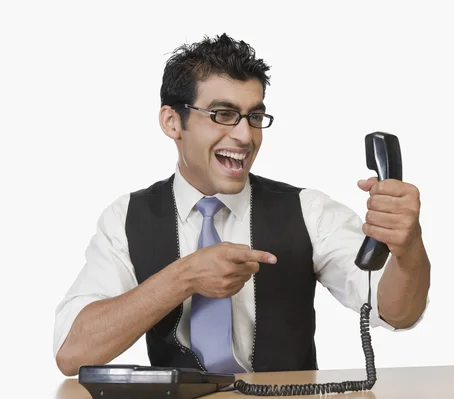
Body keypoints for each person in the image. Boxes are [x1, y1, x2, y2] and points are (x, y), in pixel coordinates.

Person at [53, 33, 431, 377]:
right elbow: (73, 352)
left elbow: (399, 311)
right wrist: (183, 277)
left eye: (254, 116)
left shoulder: (308, 211)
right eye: (223, 114)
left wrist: (407, 246)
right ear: (172, 122)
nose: (244, 135)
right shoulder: (126, 219)